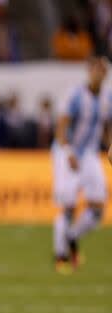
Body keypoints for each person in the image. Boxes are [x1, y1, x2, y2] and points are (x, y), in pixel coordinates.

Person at [52, 56, 110, 274]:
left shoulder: (107, 97)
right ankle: (61, 256)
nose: (99, 74)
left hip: (90, 155)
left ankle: (71, 237)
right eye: (96, 69)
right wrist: (67, 151)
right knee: (68, 206)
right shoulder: (75, 95)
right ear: (89, 71)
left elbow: (105, 127)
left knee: (97, 209)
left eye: (103, 70)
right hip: (68, 152)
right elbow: (61, 126)